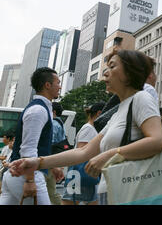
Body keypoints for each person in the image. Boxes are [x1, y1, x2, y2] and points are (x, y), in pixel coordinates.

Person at [7, 50, 162, 205]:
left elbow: (157, 141)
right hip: (112, 193)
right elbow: (84, 151)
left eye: (112, 66)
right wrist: (38, 162)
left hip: (132, 194)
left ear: (129, 73)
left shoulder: (141, 98)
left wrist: (110, 154)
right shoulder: (121, 111)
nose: (105, 72)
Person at [0, 67, 62, 205]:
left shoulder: (41, 108)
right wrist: (30, 180)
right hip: (26, 175)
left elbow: (39, 146)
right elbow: (28, 150)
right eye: (58, 82)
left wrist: (51, 166)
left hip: (15, 173)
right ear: (47, 85)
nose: (60, 86)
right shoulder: (38, 110)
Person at [61, 102, 104, 205]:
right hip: (81, 173)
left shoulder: (91, 128)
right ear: (99, 113)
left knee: (91, 200)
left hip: (85, 174)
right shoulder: (88, 129)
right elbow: (82, 151)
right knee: (70, 200)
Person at [45, 102, 66, 205]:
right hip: (55, 161)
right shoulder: (60, 124)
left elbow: (50, 144)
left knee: (48, 191)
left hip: (49, 163)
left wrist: (52, 165)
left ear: (53, 111)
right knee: (51, 191)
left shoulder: (53, 124)